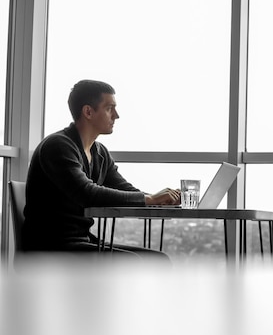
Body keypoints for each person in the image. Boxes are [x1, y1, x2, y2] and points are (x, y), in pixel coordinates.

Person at [22, 79, 180, 258]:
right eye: (109, 108)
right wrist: (150, 199)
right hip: (49, 247)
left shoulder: (100, 153)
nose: (116, 115)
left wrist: (159, 199)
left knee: (157, 259)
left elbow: (125, 189)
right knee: (140, 263)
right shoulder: (57, 146)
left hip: (82, 241)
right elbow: (87, 193)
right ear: (88, 111)